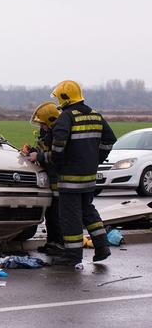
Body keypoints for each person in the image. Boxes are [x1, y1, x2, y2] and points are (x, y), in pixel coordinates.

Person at [49, 80, 117, 266]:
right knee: (89, 212)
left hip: (70, 179)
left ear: (64, 97)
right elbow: (110, 139)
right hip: (88, 178)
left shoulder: (66, 117)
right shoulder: (96, 115)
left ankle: (73, 256)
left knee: (70, 217)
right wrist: (96, 158)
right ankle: (102, 247)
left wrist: (56, 162)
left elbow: (58, 146)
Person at [26, 101, 64, 255]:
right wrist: (34, 152)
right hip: (52, 182)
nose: (41, 128)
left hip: (59, 183)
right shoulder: (50, 134)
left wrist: (39, 156)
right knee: (50, 215)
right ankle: (52, 243)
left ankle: (60, 245)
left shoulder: (59, 134)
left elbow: (57, 156)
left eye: (42, 124)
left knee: (57, 216)